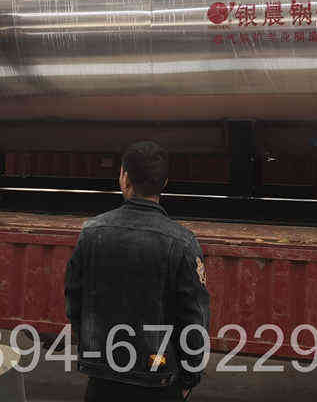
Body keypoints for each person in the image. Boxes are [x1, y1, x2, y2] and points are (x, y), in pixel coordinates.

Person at [65, 141, 210, 401]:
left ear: (124, 178)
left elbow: (74, 301)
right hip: (159, 380)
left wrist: (94, 351)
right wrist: (190, 377)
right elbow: (194, 319)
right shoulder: (183, 242)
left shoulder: (91, 233)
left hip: (102, 376)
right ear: (164, 183)